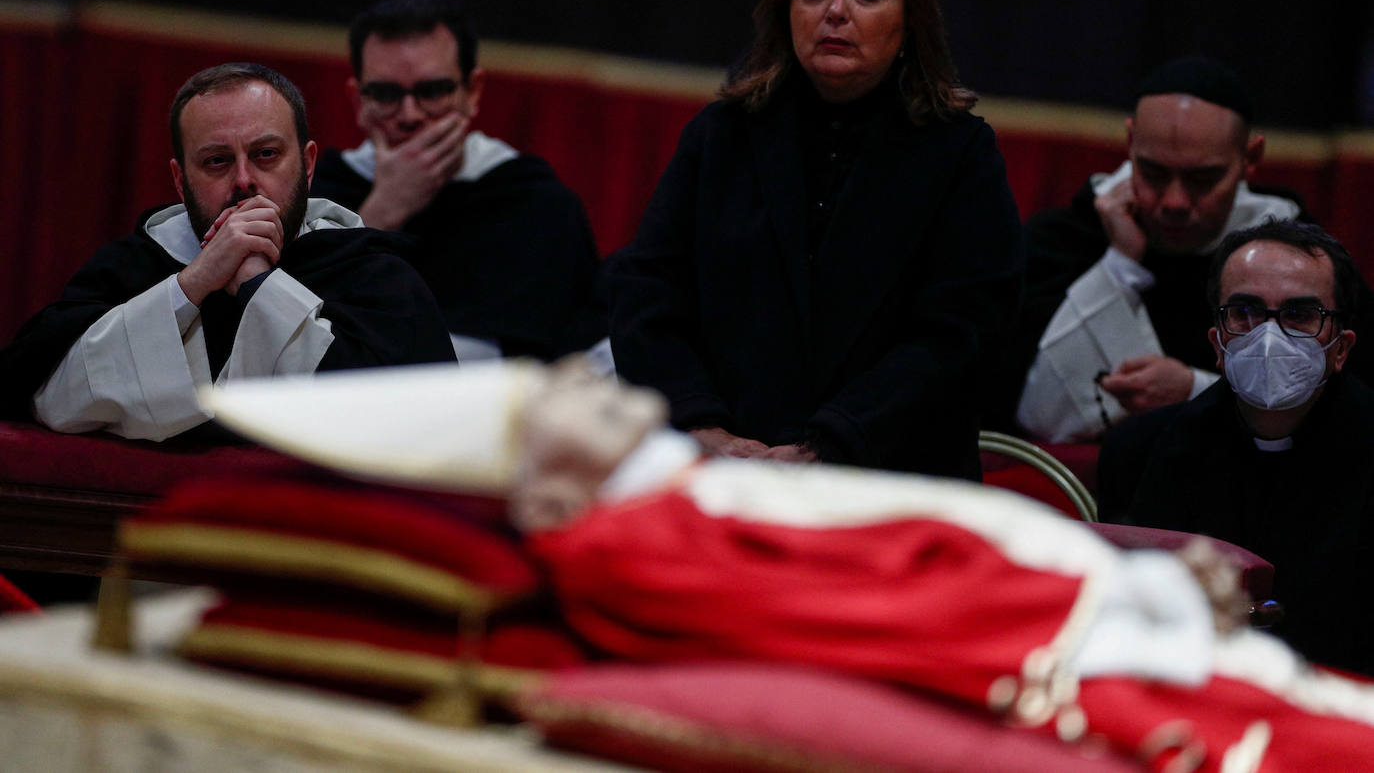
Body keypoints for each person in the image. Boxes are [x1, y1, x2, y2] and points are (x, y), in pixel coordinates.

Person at [201, 356, 1374, 773]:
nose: (582, 376)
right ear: (547, 495)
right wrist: (1126, 602)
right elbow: (873, 612)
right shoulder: (631, 540)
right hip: (1088, 656)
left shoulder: (667, 495)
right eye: (558, 398)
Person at [606, 0, 1023, 477]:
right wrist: (701, 424)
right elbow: (645, 294)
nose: (835, 11)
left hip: (887, 474)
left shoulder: (960, 152)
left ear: (910, 19)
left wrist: (831, 442)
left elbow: (962, 333)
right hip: (719, 466)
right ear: (786, 11)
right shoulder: (722, 135)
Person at [0, 62, 456, 442]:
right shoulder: (129, 269)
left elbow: (406, 429)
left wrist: (260, 285)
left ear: (309, 164)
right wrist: (191, 285)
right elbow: (51, 401)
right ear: (180, 182)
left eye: (266, 154)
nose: (243, 180)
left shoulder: (374, 277)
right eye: (217, 161)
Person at [1010, 56, 1374, 443]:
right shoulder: (1062, 240)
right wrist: (1119, 267)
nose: (1175, 202)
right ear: (1131, 143)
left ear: (1249, 159)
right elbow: (1016, 400)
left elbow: (1353, 396)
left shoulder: (1300, 259)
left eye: (1202, 178)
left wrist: (1193, 391)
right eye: (1153, 172)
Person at [1099, 220, 1374, 675]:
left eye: (1299, 314)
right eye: (1244, 312)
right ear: (1218, 343)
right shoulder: (1139, 451)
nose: (1268, 336)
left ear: (1340, 349)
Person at [310, 0, 605, 363]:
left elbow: (558, 355)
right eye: (386, 94)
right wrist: (383, 209)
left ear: (472, 92)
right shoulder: (318, 193)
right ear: (357, 102)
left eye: (432, 91)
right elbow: (300, 333)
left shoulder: (536, 202)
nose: (410, 115)